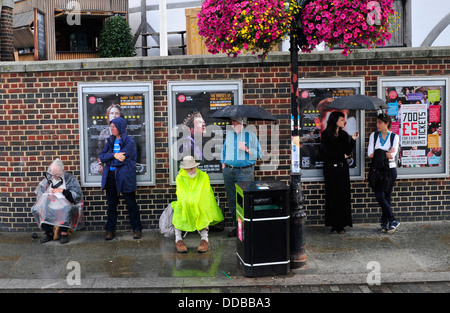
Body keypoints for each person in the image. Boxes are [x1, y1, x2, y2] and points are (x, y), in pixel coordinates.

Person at [99, 116, 143, 240]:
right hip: (111, 177)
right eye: (111, 126)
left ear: (121, 127)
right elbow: (102, 157)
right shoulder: (110, 141)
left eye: (114, 127)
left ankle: (137, 229)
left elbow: (123, 160)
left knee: (131, 204)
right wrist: (114, 155)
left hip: (125, 177)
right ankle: (110, 230)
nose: (111, 129)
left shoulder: (129, 142)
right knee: (112, 204)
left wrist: (110, 159)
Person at [171, 156, 224, 253]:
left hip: (201, 201)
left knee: (203, 208)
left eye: (194, 167)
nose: (193, 170)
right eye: (190, 168)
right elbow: (181, 193)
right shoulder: (180, 177)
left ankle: (205, 239)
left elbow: (206, 193)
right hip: (186, 202)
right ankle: (178, 239)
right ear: (185, 168)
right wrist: (188, 202)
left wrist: (195, 202)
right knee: (179, 209)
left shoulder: (203, 176)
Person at [221, 117, 262, 237]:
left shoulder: (250, 136)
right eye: (232, 121)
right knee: (232, 200)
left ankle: (246, 229)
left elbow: (259, 154)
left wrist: (246, 149)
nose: (232, 123)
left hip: (244, 172)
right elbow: (223, 150)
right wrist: (223, 163)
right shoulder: (229, 135)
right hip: (229, 172)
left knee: (244, 201)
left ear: (242, 123)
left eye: (235, 121)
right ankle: (237, 227)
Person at [320, 111, 358, 234]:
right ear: (335, 120)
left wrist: (352, 139)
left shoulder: (343, 134)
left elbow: (347, 151)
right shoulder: (326, 135)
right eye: (342, 120)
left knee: (342, 196)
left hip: (342, 169)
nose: (344, 122)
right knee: (332, 196)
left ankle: (341, 224)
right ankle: (333, 224)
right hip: (330, 169)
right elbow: (326, 154)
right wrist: (342, 156)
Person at [32, 158, 84, 244]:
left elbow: (76, 195)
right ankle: (49, 233)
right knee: (36, 209)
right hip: (50, 203)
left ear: (62, 171)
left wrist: (62, 191)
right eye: (53, 174)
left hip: (64, 204)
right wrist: (46, 195)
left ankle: (64, 233)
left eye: (57, 174)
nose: (55, 176)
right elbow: (40, 191)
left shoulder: (69, 179)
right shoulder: (48, 179)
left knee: (67, 208)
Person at [368, 113, 400, 233]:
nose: (377, 125)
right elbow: (370, 154)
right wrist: (384, 153)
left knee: (387, 197)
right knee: (379, 196)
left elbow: (392, 155)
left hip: (390, 170)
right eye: (377, 122)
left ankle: (384, 222)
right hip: (377, 171)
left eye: (379, 122)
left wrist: (378, 152)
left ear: (386, 123)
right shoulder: (374, 136)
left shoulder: (394, 137)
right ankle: (393, 220)